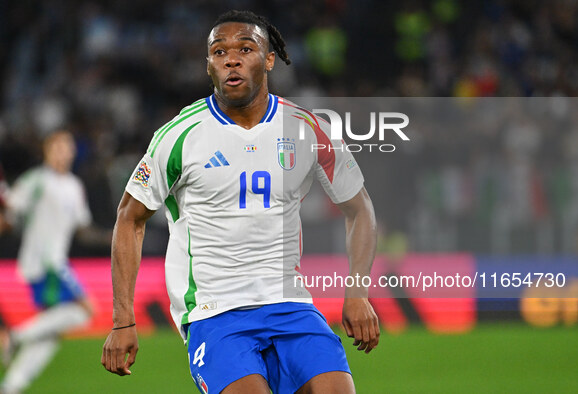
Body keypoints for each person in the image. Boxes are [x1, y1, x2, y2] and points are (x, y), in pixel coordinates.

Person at [101, 10, 380, 394]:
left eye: (245, 48)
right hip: (215, 313)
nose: (231, 58)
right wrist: (122, 320)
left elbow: (360, 207)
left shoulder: (308, 128)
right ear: (209, 65)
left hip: (291, 304)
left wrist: (358, 290)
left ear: (268, 60)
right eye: (219, 51)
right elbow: (130, 219)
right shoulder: (180, 135)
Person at [0, 131, 98, 394]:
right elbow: (9, 210)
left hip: (58, 262)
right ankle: (15, 335)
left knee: (51, 334)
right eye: (58, 147)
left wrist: (118, 233)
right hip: (44, 263)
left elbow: (82, 229)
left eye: (67, 147)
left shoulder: (75, 186)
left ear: (73, 152)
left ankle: (10, 387)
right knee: (85, 310)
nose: (63, 151)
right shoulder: (36, 180)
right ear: (47, 151)